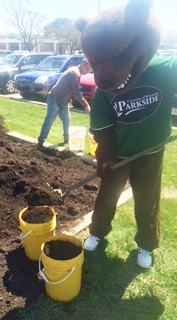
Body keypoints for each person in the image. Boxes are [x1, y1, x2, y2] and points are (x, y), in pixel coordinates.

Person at [37, 58, 91, 149]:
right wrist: (86, 104)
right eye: (88, 69)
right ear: (82, 65)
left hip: (63, 100)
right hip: (54, 98)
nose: (88, 72)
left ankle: (67, 139)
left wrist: (68, 100)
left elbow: (69, 88)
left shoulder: (75, 71)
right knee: (49, 120)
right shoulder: (75, 73)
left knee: (66, 120)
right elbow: (77, 91)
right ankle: (40, 142)